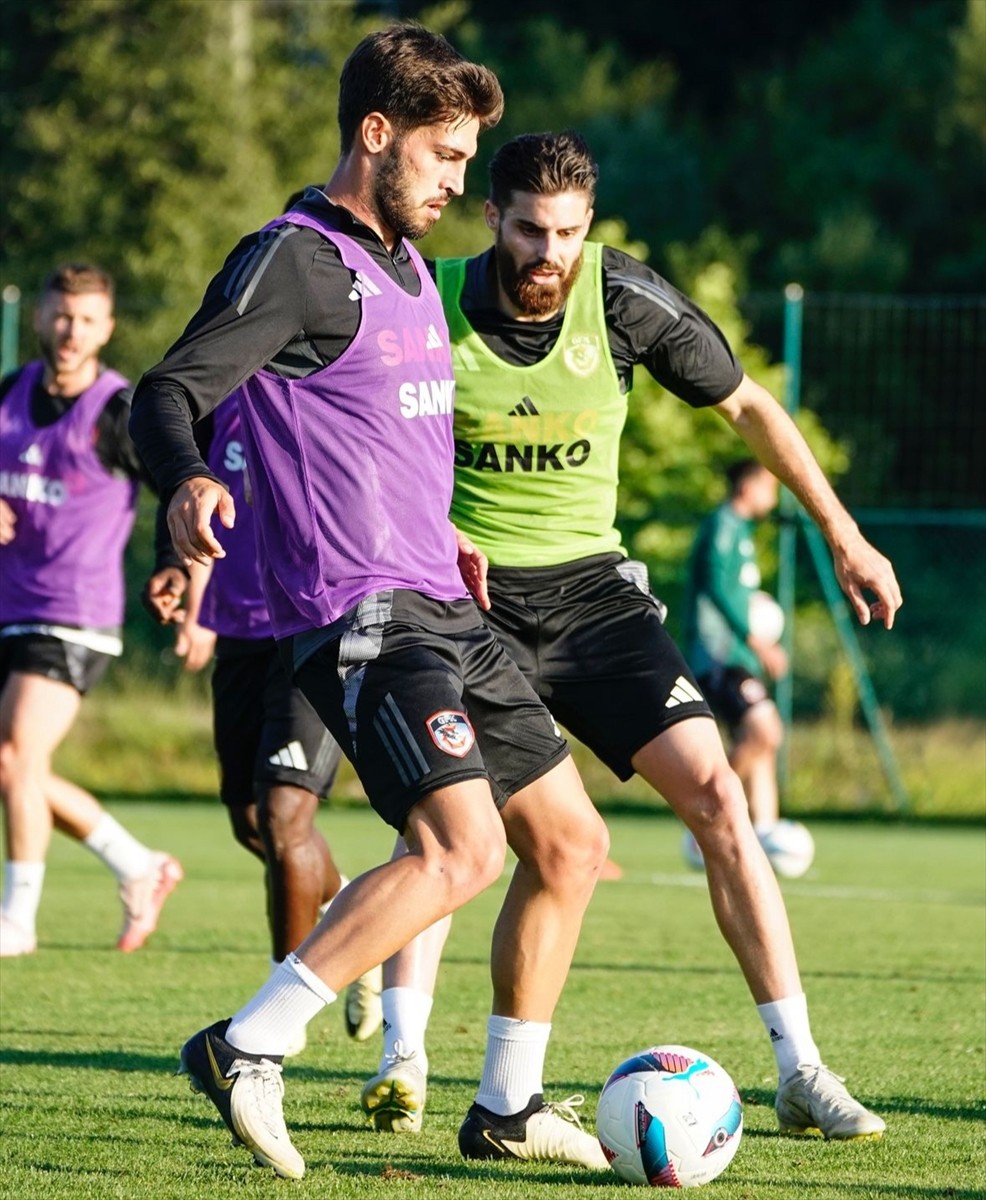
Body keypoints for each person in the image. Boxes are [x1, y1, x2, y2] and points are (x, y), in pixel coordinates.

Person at [128, 24, 611, 1181]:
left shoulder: (400, 265)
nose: (458, 183)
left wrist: (440, 522)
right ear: (375, 134)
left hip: (441, 599)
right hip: (359, 611)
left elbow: (376, 423)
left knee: (571, 844)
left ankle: (503, 1106)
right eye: (445, 157)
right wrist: (188, 480)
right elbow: (168, 392)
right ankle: (251, 1044)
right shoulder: (292, 259)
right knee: (459, 850)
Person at [358, 131, 901, 1144]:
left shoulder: (620, 298)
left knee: (717, 794)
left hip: (595, 601)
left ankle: (798, 1070)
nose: (546, 253)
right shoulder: (423, 303)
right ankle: (406, 1055)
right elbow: (360, 450)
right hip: (465, 606)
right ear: (492, 218)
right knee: (449, 829)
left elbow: (745, 405)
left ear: (587, 229)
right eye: (527, 229)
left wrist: (843, 531)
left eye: (566, 232)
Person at [142, 395, 383, 1048]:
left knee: (283, 816)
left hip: (314, 622)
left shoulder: (327, 381)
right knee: (252, 821)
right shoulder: (215, 392)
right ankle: (363, 920)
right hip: (240, 630)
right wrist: (172, 567)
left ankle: (279, 1013)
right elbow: (182, 489)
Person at [0, 263, 183, 958]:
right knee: (15, 767)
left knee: (17, 755)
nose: (70, 330)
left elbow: (175, 486)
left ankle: (16, 919)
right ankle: (137, 864)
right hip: (9, 606)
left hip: (75, 611)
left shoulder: (116, 412)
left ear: (107, 328)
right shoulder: (10, 395)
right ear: (43, 317)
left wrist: (177, 572)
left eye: (86, 319)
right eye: (60, 314)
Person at [684, 459, 788, 838]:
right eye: (769, 487)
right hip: (720, 656)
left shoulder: (740, 530)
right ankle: (707, 809)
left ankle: (765, 836)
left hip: (737, 657)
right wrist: (757, 641)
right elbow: (716, 587)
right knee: (765, 732)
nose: (773, 497)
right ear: (748, 486)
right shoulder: (723, 526)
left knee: (761, 746)